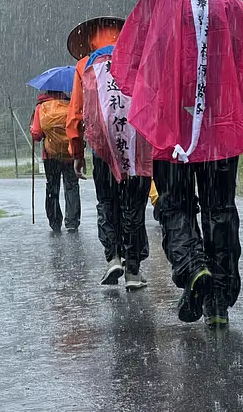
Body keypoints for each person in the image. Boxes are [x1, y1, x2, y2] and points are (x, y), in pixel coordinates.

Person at [111, 0, 243, 326]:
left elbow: (127, 67)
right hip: (221, 128)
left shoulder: (154, 2)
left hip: (171, 131)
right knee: (220, 209)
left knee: (176, 206)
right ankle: (219, 298)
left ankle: (193, 267)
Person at [66, 16, 153, 291]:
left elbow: (76, 114)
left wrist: (77, 151)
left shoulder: (85, 65)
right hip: (136, 144)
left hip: (101, 146)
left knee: (107, 201)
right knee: (134, 203)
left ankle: (113, 256)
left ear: (91, 38)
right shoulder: (137, 58)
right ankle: (133, 270)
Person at [30, 90, 81, 233]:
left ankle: (55, 221)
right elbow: (76, 127)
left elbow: (37, 134)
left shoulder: (41, 107)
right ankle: (72, 222)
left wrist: (33, 128)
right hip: (69, 154)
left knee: (52, 188)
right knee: (71, 186)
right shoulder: (69, 104)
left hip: (50, 156)